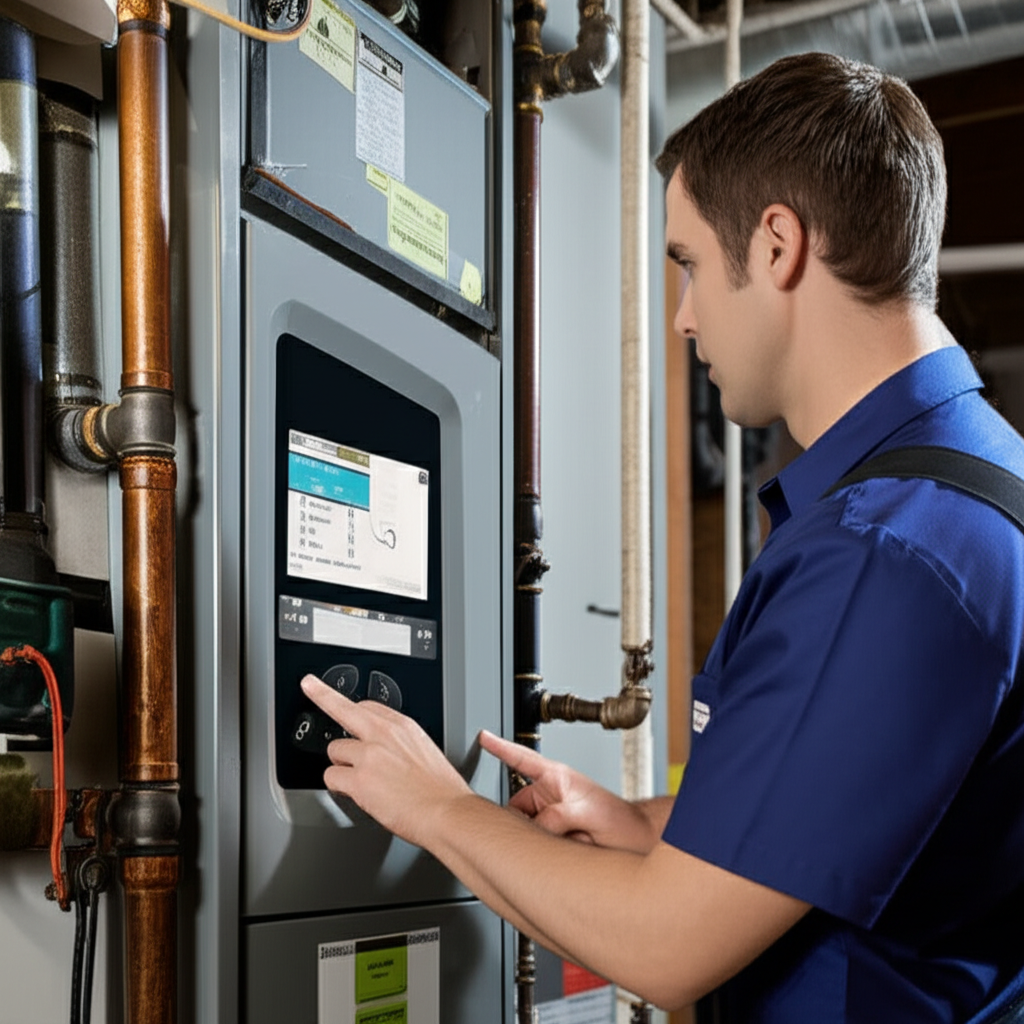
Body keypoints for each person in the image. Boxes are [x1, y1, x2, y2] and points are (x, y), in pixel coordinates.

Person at [301, 51, 1024, 1022]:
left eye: (685, 264)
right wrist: (638, 822)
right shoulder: (974, 483)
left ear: (776, 246)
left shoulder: (880, 550)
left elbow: (665, 946)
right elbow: (895, 807)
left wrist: (436, 805)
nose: (681, 318)